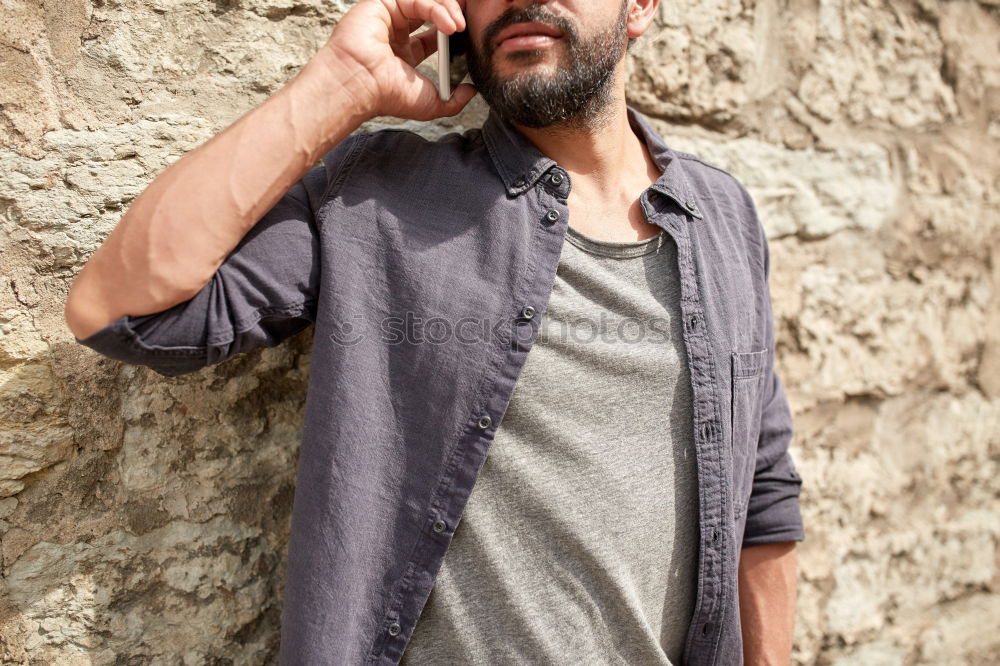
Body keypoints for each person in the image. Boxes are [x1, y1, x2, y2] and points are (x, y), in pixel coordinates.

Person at [64, 0, 805, 663]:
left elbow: (762, 490)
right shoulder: (379, 197)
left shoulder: (722, 216)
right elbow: (125, 310)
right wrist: (343, 83)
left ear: (639, 7)